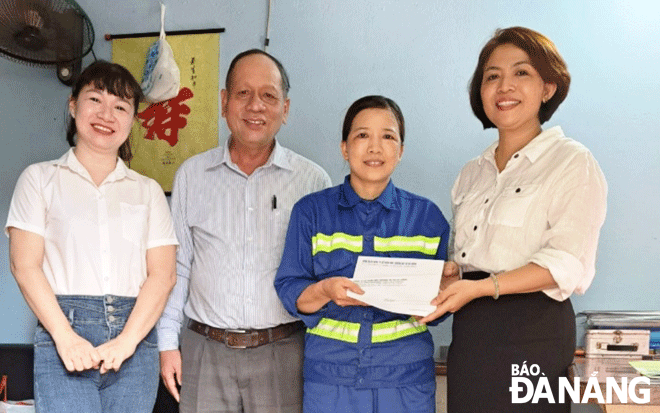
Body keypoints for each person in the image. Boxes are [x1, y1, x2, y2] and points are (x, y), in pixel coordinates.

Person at [419, 27, 608, 412]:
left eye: (521, 73)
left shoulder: (572, 162)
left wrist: (482, 286)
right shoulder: (472, 172)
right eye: (492, 76)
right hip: (471, 335)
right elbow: (470, 258)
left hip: (534, 334)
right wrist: (452, 275)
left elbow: (567, 263)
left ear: (548, 87)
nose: (505, 87)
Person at [157, 49, 331, 413]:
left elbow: (324, 277)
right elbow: (178, 267)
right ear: (224, 102)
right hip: (204, 350)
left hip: (284, 351)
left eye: (268, 95)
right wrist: (167, 343)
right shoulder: (191, 176)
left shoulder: (313, 181)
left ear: (285, 108)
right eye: (243, 94)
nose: (255, 106)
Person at [5, 60, 178, 413]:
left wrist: (127, 342)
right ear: (73, 105)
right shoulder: (39, 179)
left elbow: (163, 275)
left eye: (120, 106)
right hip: (63, 329)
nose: (106, 114)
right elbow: (24, 265)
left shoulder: (147, 192)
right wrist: (65, 338)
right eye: (95, 99)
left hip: (136, 334)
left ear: (132, 120)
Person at [275, 95, 452, 413]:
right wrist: (325, 289)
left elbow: (440, 309)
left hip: (405, 379)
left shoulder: (428, 218)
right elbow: (291, 292)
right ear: (344, 148)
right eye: (362, 135)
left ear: (400, 151)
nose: (375, 147)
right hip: (330, 380)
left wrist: (443, 291)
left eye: (388, 136)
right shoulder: (311, 212)